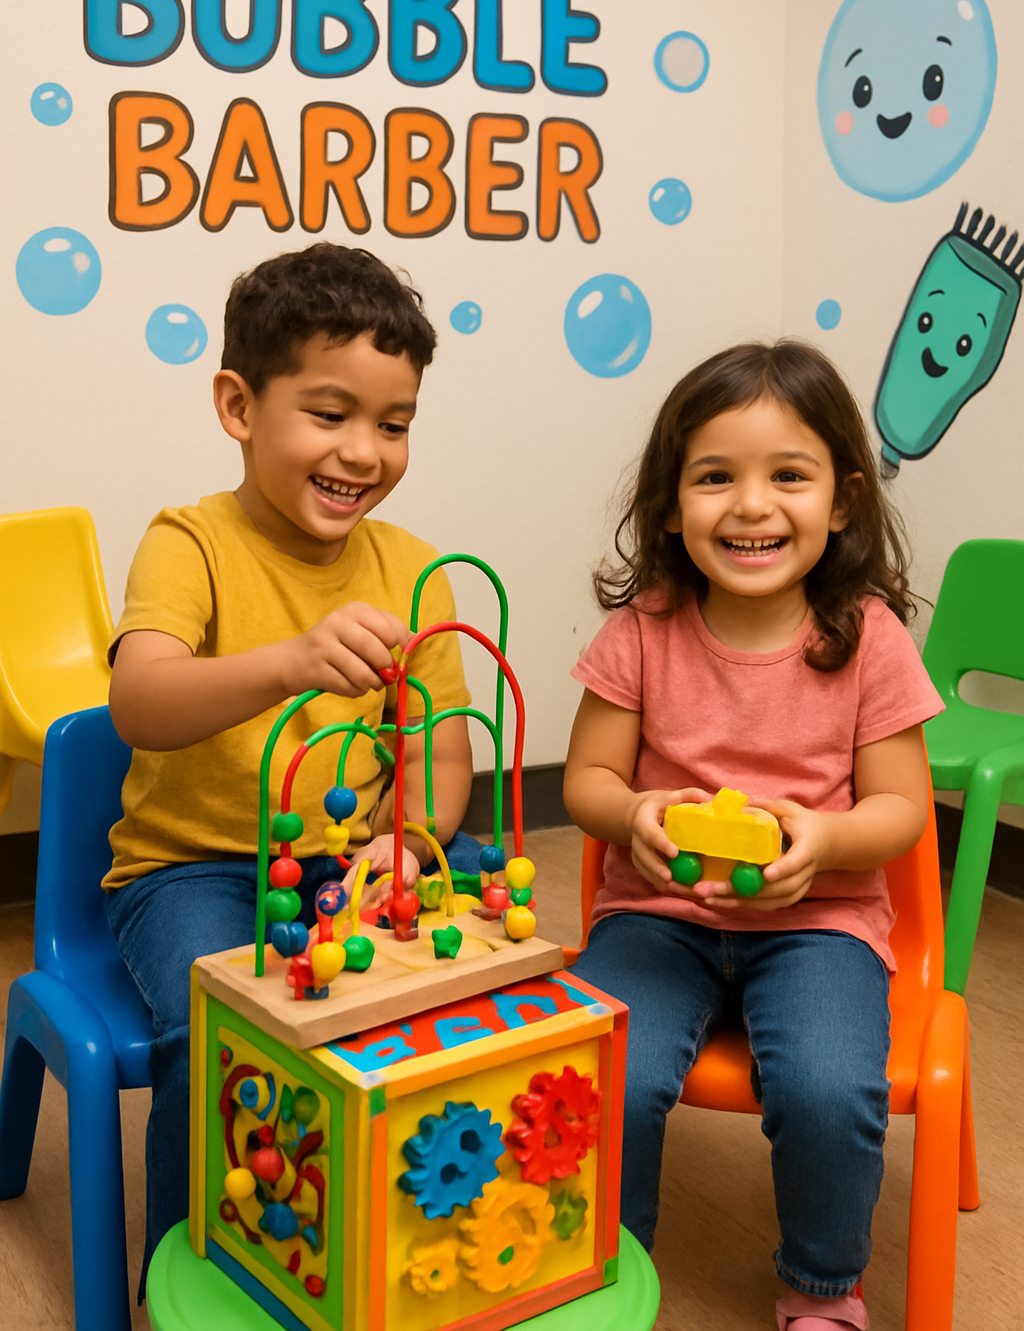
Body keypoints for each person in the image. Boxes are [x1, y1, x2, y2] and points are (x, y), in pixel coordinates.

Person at [103, 242, 479, 1287]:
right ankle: (195, 1279)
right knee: (220, 1022)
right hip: (196, 871)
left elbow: (440, 753)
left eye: (394, 424)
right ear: (238, 405)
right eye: (329, 413)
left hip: (355, 863)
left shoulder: (412, 567)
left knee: (481, 960)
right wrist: (286, 664)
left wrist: (408, 843)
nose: (363, 451)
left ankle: (402, 1243)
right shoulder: (190, 541)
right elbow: (138, 701)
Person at [563, 340, 944, 1331]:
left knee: (827, 1090)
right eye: (713, 477)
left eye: (788, 476)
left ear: (843, 500)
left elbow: (900, 812)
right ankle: (601, 1270)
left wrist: (819, 839)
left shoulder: (868, 637)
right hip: (656, 917)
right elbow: (588, 783)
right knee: (606, 1070)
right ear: (668, 503)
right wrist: (633, 814)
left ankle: (821, 1290)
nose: (749, 506)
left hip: (820, 924)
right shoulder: (643, 628)